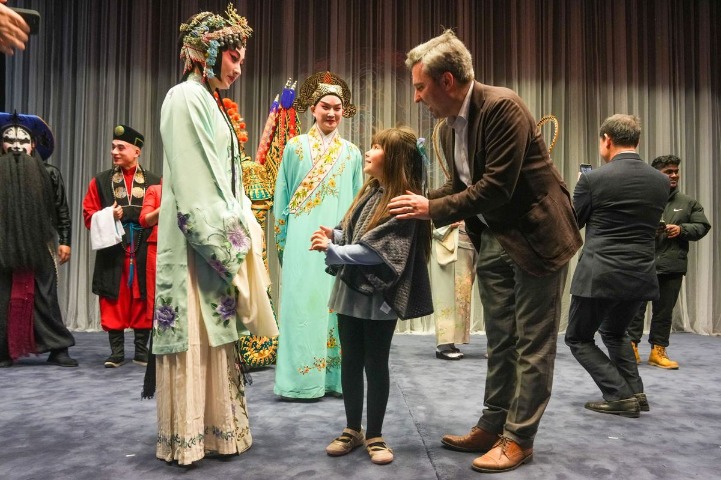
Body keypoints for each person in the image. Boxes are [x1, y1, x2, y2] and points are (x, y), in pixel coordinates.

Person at [390, 30, 582, 473]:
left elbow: (496, 187)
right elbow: (460, 188)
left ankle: (520, 438)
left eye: (420, 87)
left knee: (533, 344)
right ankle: (493, 424)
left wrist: (431, 208)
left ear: (448, 81)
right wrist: (408, 202)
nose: (417, 98)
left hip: (538, 240)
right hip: (495, 237)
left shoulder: (502, 107)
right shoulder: (448, 128)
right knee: (501, 341)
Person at [153, 5, 276, 466]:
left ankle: (216, 430)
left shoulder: (213, 104)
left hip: (214, 239)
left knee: (215, 332)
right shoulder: (184, 98)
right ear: (208, 52)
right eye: (235, 56)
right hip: (195, 243)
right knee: (195, 333)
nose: (241, 66)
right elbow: (194, 182)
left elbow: (230, 182)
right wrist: (232, 244)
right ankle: (187, 435)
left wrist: (246, 226)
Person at [311, 127, 433, 465]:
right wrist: (334, 233)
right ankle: (353, 429)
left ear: (392, 159)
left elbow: (379, 252)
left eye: (377, 147)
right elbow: (358, 233)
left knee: (375, 362)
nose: (369, 151)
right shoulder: (371, 191)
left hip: (378, 296)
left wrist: (334, 249)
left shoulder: (402, 201)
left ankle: (376, 434)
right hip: (351, 290)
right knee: (351, 359)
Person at [565, 114, 669, 418]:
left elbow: (573, 224)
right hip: (640, 274)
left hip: (600, 274)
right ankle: (637, 394)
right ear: (636, 141)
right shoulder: (661, 181)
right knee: (615, 332)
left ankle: (620, 395)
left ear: (606, 139)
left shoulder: (592, 179)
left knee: (578, 338)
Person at [273, 71, 363, 400]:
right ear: (313, 108)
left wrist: (350, 243)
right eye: (325, 106)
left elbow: (356, 202)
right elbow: (281, 199)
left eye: (338, 108)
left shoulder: (352, 153)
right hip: (300, 240)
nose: (331, 113)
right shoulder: (294, 149)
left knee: (335, 306)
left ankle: (335, 379)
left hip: (337, 243)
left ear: (344, 112)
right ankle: (299, 381)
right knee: (300, 305)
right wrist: (284, 240)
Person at [0, 112, 77, 367]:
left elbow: (61, 210)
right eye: (9, 139)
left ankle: (57, 347)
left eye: (23, 141)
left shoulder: (50, 174)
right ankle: (4, 349)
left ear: (33, 145)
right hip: (4, 246)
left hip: (40, 245)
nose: (16, 146)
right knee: (4, 296)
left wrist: (65, 240)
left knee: (45, 297)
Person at [82, 124, 160, 367]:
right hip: (113, 248)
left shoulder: (156, 181)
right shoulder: (101, 181)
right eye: (113, 147)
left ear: (137, 151)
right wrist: (107, 215)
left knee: (142, 296)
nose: (114, 151)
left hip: (143, 246)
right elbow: (88, 214)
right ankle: (116, 353)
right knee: (112, 297)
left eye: (121, 147)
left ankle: (140, 351)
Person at [627, 155, 710, 369]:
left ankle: (658, 351)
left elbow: (702, 227)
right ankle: (631, 347)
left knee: (664, 312)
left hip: (672, 265)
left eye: (676, 171)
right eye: (668, 172)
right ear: (657, 174)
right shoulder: (641, 199)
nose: (674, 175)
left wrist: (682, 230)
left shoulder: (688, 203)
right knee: (635, 309)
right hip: (642, 263)